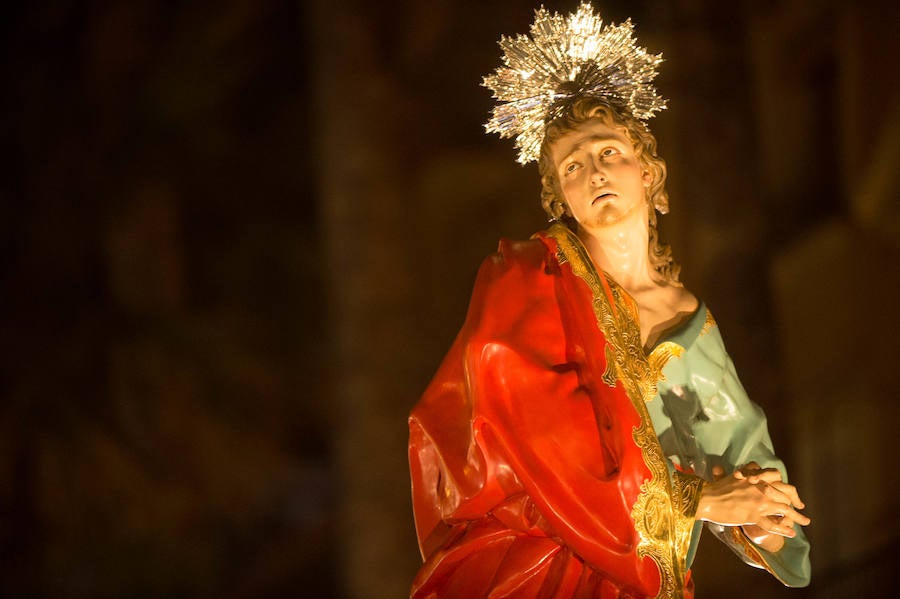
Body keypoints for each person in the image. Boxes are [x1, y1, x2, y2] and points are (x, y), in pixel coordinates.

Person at [408, 5, 810, 598]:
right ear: (560, 195)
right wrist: (694, 501)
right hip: (542, 565)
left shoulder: (686, 316)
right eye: (572, 166)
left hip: (646, 581)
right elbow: (538, 432)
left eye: (608, 152)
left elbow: (734, 438)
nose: (594, 171)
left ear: (649, 172)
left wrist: (765, 515)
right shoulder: (525, 280)